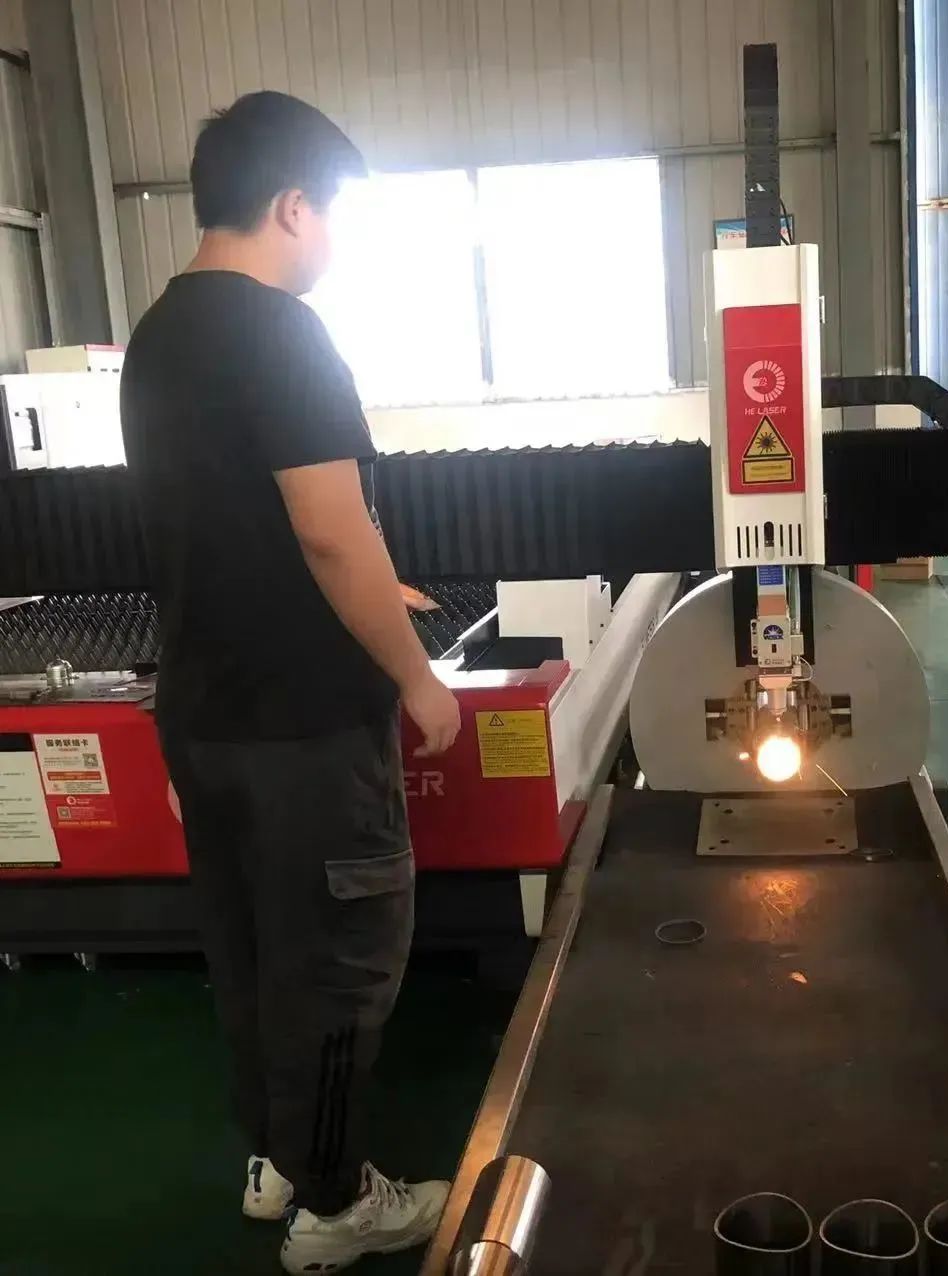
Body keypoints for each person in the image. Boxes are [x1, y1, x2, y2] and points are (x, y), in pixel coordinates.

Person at [120, 91, 461, 1274]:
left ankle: (276, 1158)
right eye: (335, 216)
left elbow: (226, 523)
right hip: (304, 727)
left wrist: (376, 583)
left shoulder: (158, 335)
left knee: (255, 954)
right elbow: (327, 529)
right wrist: (416, 675)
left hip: (203, 715)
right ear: (293, 206)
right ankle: (335, 1205)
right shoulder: (282, 333)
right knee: (340, 963)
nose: (334, 243)